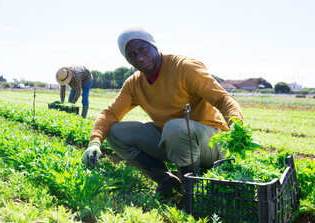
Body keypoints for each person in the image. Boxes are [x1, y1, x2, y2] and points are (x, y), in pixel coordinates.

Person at [82, 25, 243, 198]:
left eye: (143, 49)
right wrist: (94, 142)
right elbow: (110, 114)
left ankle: (192, 192)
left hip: (211, 142)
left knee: (174, 128)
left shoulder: (184, 67)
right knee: (114, 132)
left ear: (154, 46)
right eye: (131, 54)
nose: (139, 57)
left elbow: (223, 99)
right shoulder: (134, 84)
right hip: (174, 139)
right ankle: (167, 181)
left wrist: (237, 131)